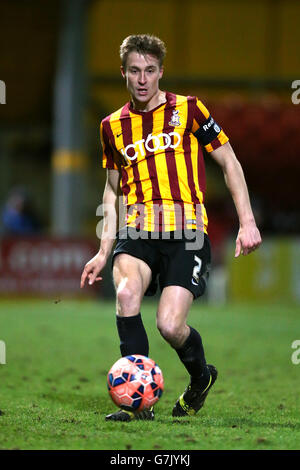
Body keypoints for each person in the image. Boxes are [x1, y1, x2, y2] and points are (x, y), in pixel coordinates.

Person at [80, 34, 262, 421]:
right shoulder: (111, 126)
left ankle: (200, 378)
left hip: (187, 234)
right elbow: (112, 190)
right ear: (124, 74)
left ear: (161, 71)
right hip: (138, 232)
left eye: (150, 70)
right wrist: (103, 250)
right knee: (127, 294)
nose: (143, 79)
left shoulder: (189, 109)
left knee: (169, 324)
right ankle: (139, 405)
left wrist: (247, 222)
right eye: (134, 71)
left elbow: (229, 163)